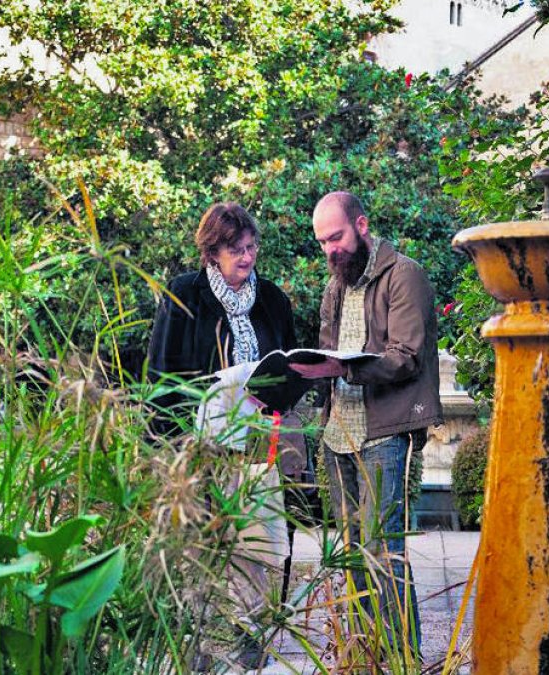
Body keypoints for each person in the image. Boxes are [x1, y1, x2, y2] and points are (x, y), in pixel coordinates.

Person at [291, 191, 442, 661]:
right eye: (321, 242)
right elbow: (327, 349)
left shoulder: (405, 274)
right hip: (339, 436)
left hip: (383, 434)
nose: (329, 250)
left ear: (361, 224)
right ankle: (363, 659)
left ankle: (401, 661)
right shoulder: (336, 284)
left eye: (335, 237)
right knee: (352, 553)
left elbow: (407, 358)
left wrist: (345, 370)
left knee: (383, 552)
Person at [146, 202, 298, 669]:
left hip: (256, 445)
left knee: (263, 547)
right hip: (200, 447)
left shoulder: (272, 300)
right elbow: (161, 376)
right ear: (212, 252)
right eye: (236, 250)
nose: (247, 257)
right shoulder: (183, 294)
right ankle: (204, 647)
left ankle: (251, 637)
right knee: (201, 549)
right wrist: (165, 452)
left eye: (252, 247)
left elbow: (289, 368)